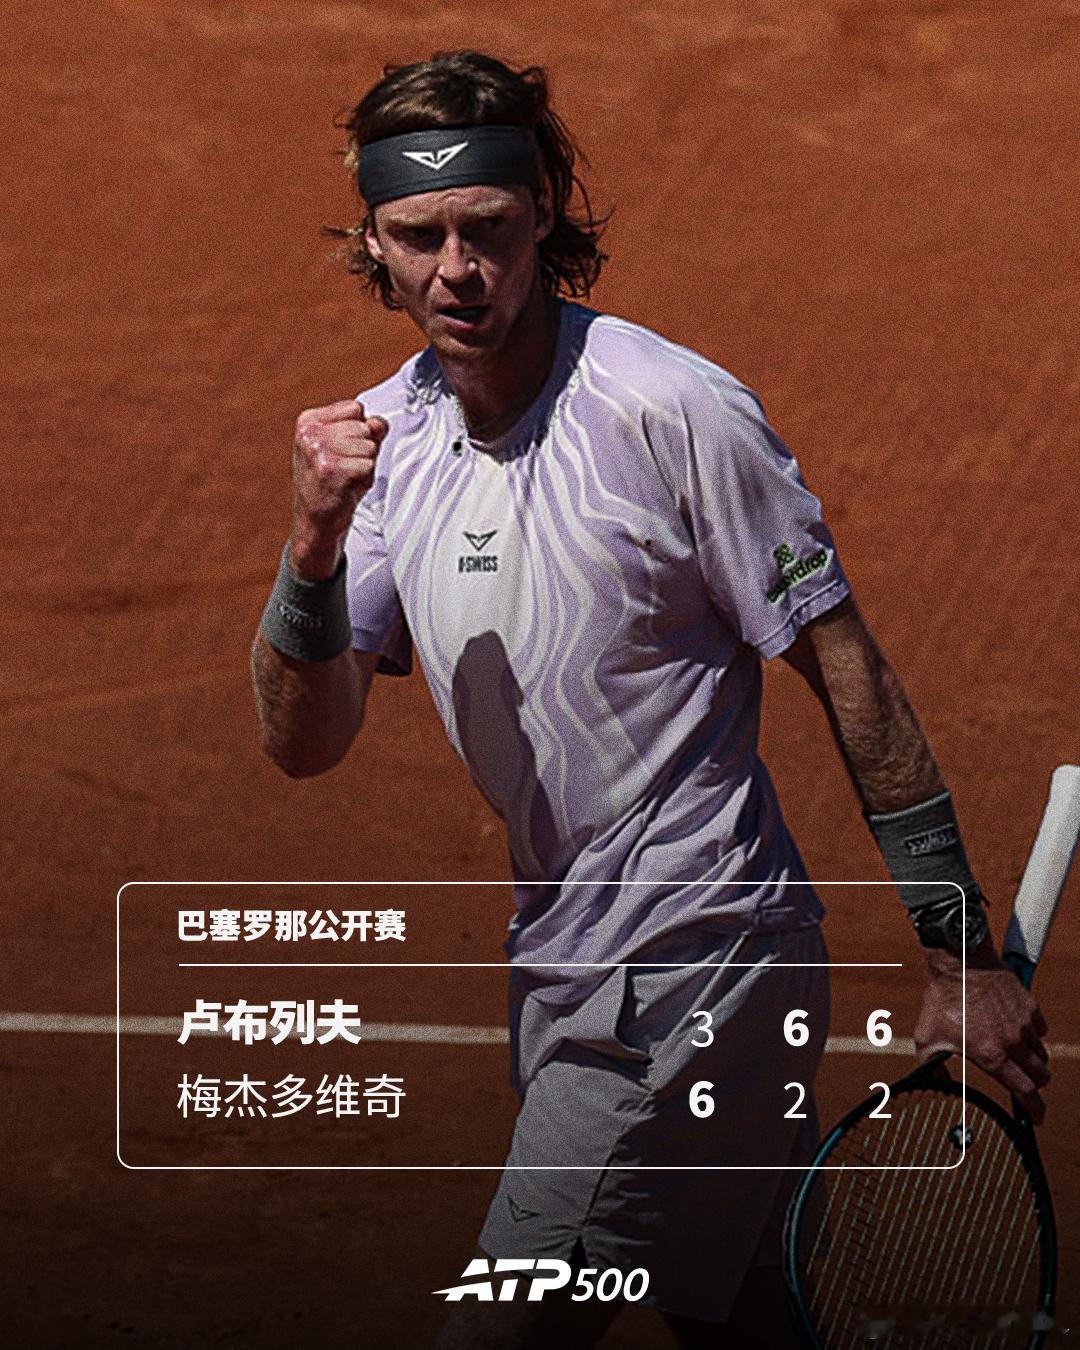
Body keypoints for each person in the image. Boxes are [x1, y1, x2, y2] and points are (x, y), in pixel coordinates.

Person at [250, 50, 1050, 1350]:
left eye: (487, 228)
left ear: (545, 213)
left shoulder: (671, 411)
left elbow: (846, 664)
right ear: (374, 247)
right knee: (739, 1316)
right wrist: (311, 547)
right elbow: (305, 739)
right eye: (419, 236)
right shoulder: (387, 444)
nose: (458, 269)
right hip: (569, 967)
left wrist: (955, 949)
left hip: (692, 968)